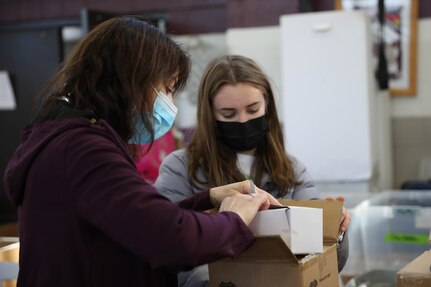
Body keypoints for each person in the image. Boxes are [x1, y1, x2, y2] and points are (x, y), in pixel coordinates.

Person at [3, 17, 280, 287]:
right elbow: (172, 240)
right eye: (167, 89)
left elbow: (134, 221)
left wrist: (207, 198)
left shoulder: (68, 140)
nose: (170, 103)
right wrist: (233, 220)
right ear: (132, 82)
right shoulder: (84, 150)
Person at [155, 55, 351, 286]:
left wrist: (334, 229)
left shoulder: (291, 169)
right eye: (228, 114)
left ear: (266, 105)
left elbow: (326, 260)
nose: (243, 121)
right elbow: (168, 253)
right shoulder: (180, 169)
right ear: (210, 115)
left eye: (252, 109)